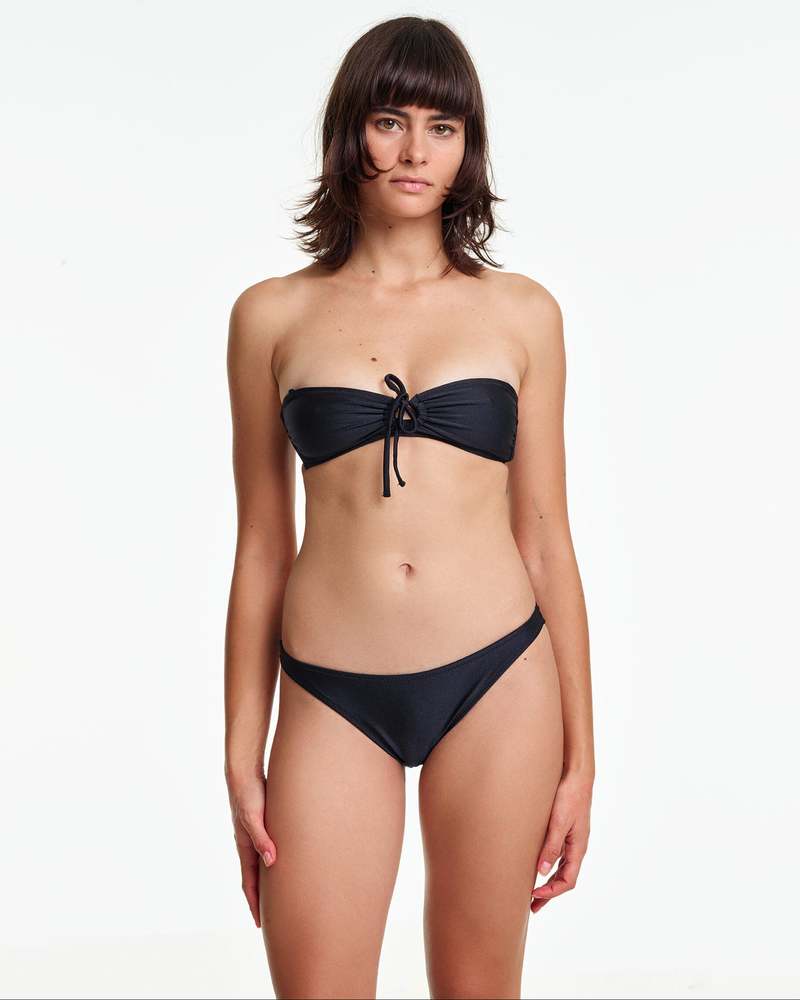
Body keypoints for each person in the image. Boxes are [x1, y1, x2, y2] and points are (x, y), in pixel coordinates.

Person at [224, 15, 594, 999]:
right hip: (328, 689)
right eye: (389, 120)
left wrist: (581, 760)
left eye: (443, 127)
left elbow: (546, 537)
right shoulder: (270, 315)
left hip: (499, 677)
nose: (414, 150)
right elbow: (260, 546)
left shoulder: (522, 313)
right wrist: (239, 751)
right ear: (350, 131)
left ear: (468, 147)